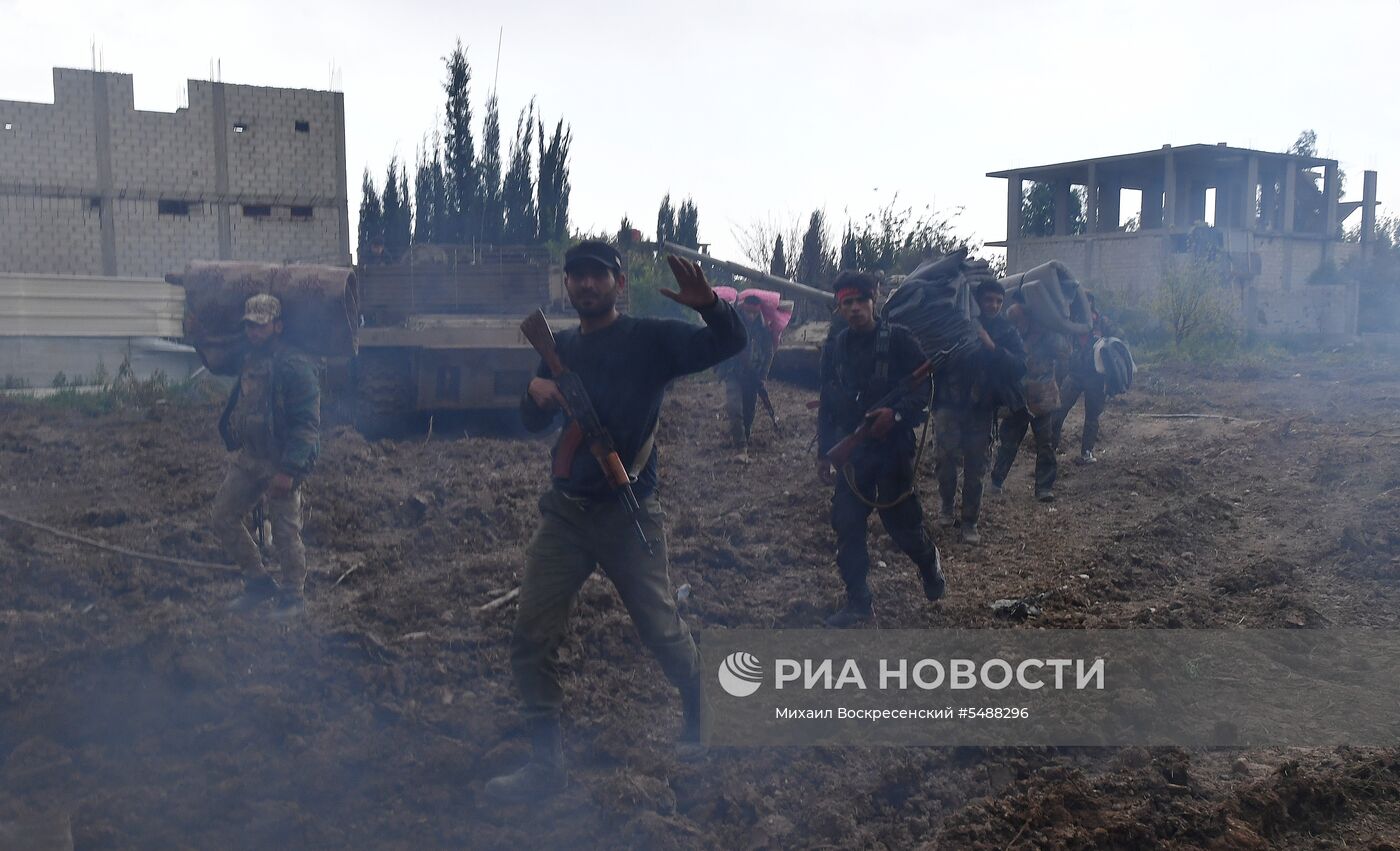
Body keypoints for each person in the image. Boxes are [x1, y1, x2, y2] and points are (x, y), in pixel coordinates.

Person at [485, 240, 746, 803]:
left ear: (619, 284)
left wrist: (711, 306)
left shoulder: (649, 339)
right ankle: (546, 764)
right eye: (575, 277)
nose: (585, 285)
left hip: (629, 515)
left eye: (596, 276)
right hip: (566, 515)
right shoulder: (559, 348)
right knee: (532, 634)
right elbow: (532, 423)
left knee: (661, 630)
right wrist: (534, 395)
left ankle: (701, 710)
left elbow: (731, 342)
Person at [816, 271, 945, 628]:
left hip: (892, 448)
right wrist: (824, 452)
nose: (855, 309)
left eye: (861, 301)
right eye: (847, 303)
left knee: (902, 525)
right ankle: (859, 601)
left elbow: (924, 387)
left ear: (874, 302)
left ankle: (928, 563)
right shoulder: (835, 346)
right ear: (839, 307)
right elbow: (827, 401)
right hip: (852, 452)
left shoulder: (900, 341)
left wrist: (897, 412)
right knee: (847, 524)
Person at [212, 294, 321, 617]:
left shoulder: (295, 366)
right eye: (249, 326)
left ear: (278, 326)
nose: (253, 332)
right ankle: (258, 582)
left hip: (282, 460)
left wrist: (288, 471)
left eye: (260, 326)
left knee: (286, 532)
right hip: (251, 457)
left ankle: (293, 597)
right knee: (222, 517)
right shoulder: (249, 358)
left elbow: (307, 425)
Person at [932, 280, 1026, 544]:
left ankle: (970, 521)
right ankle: (947, 505)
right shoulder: (957, 325)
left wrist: (991, 346)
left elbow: (1020, 366)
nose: (994, 305)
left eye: (998, 301)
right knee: (944, 460)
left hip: (981, 408)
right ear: (977, 301)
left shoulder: (1006, 331)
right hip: (949, 404)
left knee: (976, 466)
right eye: (988, 300)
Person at [989, 292, 1068, 503]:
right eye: (1013, 320)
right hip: (1016, 400)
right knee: (1008, 443)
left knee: (1045, 445)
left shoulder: (1047, 335)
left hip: (1042, 398)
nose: (1016, 324)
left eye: (1019, 319)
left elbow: (1064, 352)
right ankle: (996, 481)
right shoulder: (1009, 335)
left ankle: (1044, 488)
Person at [1051, 291, 1121, 464]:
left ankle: (1086, 452)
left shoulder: (1102, 321)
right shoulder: (1071, 321)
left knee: (1092, 415)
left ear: (1091, 302)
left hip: (1095, 376)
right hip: (1074, 373)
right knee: (1059, 410)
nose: (1084, 304)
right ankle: (1050, 448)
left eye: (1087, 300)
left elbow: (1117, 341)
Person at [717, 294, 775, 462]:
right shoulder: (733, 322)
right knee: (734, 408)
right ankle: (740, 447)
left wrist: (763, 376)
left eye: (754, 313)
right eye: (748, 312)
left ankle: (745, 437)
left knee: (749, 411)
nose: (751, 316)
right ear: (743, 308)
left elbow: (769, 353)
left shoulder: (764, 329)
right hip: (732, 372)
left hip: (753, 375)